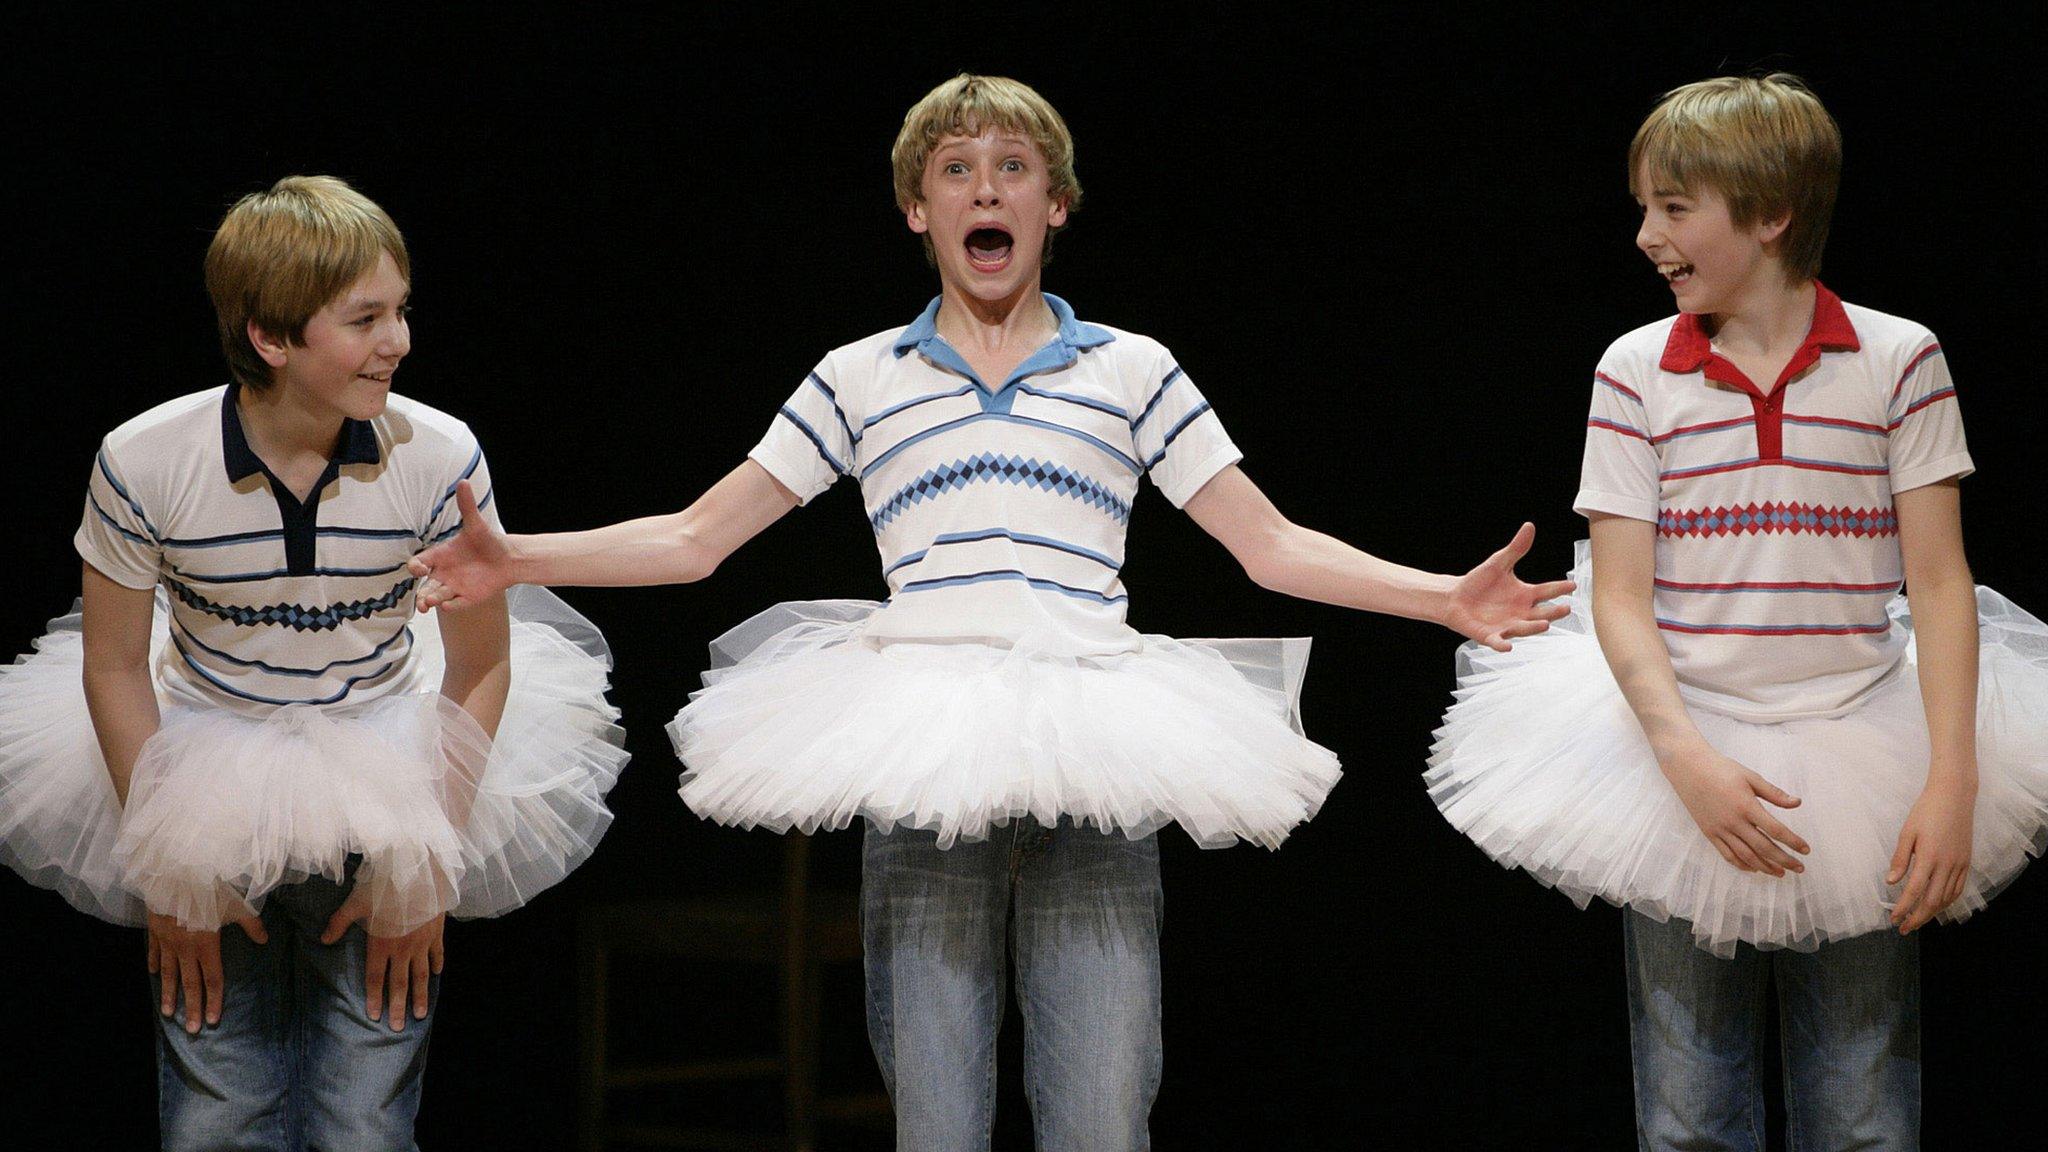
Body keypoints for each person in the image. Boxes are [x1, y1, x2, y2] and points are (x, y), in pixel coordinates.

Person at [412, 74, 1566, 1149]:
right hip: (929, 748)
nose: (984, 189)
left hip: (1091, 738)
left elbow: (1265, 546)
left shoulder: (1130, 368)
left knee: (1104, 1112)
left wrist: (1439, 599)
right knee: (934, 1117)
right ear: (917, 210)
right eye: (955, 171)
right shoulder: (860, 375)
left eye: (1011, 168)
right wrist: (512, 559)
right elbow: (695, 535)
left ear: (1054, 204)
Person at [1426, 74, 2048, 1150]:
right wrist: (1683, 760)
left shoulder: (1897, 358)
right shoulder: (1634, 369)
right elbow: (1616, 596)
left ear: (1769, 214)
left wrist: (1952, 776)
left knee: (1859, 1109)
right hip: (1685, 751)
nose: (1643, 235)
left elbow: (1938, 581)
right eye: (1643, 208)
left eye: (1672, 208)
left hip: (1859, 739)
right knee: (1686, 1111)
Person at [0, 175, 629, 1151]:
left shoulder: (437, 453)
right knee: (218, 1117)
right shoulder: (145, 459)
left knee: (362, 1124)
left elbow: (480, 665)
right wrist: (170, 864)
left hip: (383, 764)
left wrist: (425, 857)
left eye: (401, 310)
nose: (400, 341)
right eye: (365, 318)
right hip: (207, 761)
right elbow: (116, 667)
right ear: (270, 337)